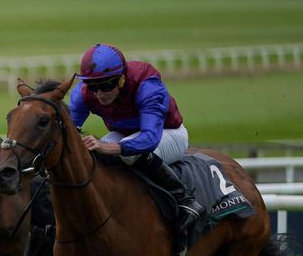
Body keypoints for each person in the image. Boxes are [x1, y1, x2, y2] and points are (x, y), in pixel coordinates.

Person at [69, 43, 205, 233]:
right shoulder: (83, 94)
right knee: (95, 157)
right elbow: (67, 130)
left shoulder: (147, 85)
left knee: (128, 153)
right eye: (92, 86)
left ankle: (185, 201)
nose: (99, 94)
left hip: (168, 133)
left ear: (121, 79)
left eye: (106, 85)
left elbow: (150, 138)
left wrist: (109, 147)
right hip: (125, 133)